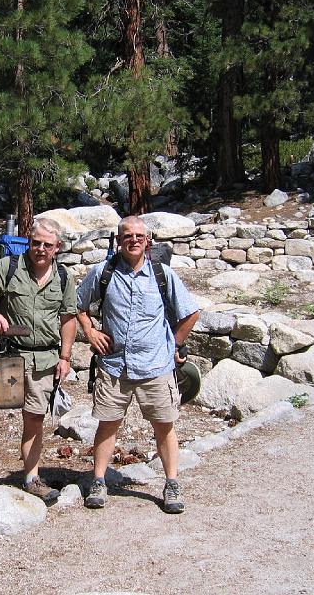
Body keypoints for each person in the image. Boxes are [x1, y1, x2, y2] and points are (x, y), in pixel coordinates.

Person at [76, 215, 200, 513]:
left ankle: (171, 484)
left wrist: (175, 345)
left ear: (148, 241)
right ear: (119, 241)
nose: (133, 240)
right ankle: (99, 481)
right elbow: (78, 305)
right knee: (108, 425)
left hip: (155, 366)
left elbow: (191, 313)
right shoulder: (102, 272)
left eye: (139, 236)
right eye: (127, 236)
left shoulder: (163, 274)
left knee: (164, 425)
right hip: (114, 365)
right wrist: (90, 331)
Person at [0, 217, 77, 502]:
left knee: (34, 418)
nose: (40, 249)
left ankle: (32, 478)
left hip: (44, 359)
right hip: (6, 355)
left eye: (47, 245)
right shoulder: (7, 268)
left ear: (57, 247)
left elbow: (68, 318)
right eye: (35, 243)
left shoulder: (65, 278)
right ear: (28, 242)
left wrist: (65, 356)